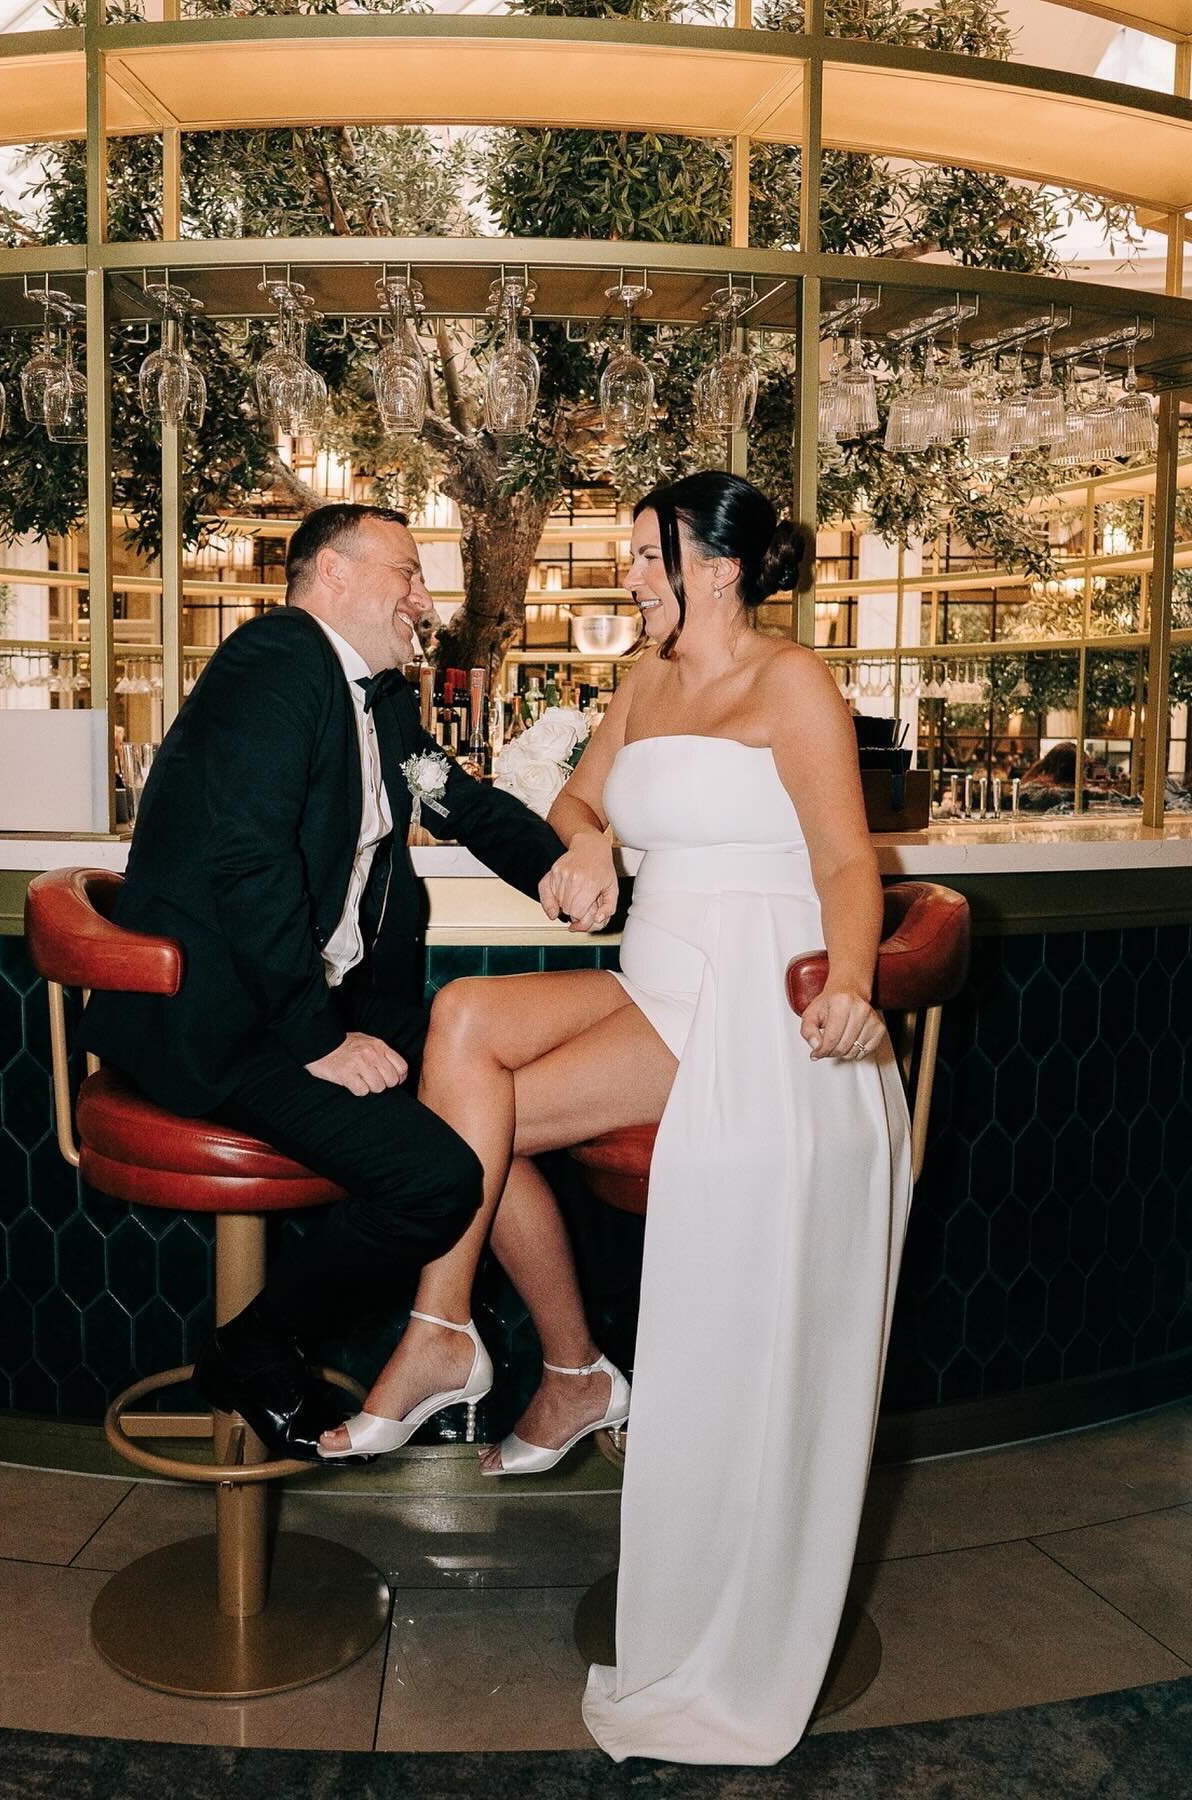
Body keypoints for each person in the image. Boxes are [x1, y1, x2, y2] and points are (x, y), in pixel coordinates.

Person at [322, 471, 912, 1767]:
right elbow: (585, 802)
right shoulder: (644, 686)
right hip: (656, 979)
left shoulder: (789, 686)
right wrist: (583, 843)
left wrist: (854, 980)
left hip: (743, 998)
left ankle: (482, 1349)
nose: (631, 576)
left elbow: (846, 866)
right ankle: (524, 1356)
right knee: (462, 1031)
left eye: (647, 556)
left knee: (473, 1107)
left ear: (713, 564)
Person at [80, 503, 569, 1462]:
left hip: (296, 1016)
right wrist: (317, 1040)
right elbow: (248, 865)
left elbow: (454, 797)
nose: (426, 601)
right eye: (409, 573)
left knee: (479, 1107)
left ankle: (569, 1369)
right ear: (332, 575)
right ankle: (255, 1348)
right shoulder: (277, 661)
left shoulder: (374, 699)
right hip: (221, 1026)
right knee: (435, 1181)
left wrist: (555, 869)